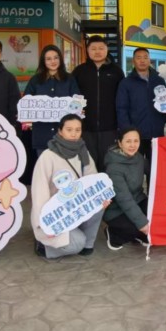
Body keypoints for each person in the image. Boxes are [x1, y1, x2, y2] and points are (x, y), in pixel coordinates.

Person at [31, 114, 108, 259]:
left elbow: (92, 181)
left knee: (99, 204)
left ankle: (88, 244)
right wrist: (44, 224)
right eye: (69, 129)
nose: (74, 134)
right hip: (57, 214)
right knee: (77, 243)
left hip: (76, 207)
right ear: (60, 131)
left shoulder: (83, 152)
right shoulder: (48, 156)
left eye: (78, 130)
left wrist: (101, 198)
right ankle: (44, 248)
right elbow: (39, 192)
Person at [71, 35, 125, 169]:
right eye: (93, 48)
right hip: (85, 127)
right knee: (87, 164)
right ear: (87, 51)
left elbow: (122, 99)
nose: (97, 51)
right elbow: (72, 97)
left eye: (101, 48)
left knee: (109, 164)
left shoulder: (117, 71)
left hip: (110, 128)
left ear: (107, 50)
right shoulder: (79, 71)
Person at [24, 44, 80, 157]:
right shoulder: (35, 80)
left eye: (56, 58)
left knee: (65, 166)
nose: (53, 61)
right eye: (48, 59)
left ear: (60, 59)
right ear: (43, 61)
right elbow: (26, 102)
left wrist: (78, 109)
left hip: (65, 134)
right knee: (44, 166)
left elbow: (77, 100)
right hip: (42, 133)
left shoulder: (69, 79)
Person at [116, 47, 166, 162]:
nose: (142, 60)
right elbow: (121, 108)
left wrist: (162, 120)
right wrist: (127, 130)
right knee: (134, 165)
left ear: (149, 60)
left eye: (145, 57)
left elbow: (164, 102)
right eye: (139, 58)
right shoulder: (126, 83)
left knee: (155, 165)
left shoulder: (159, 81)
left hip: (156, 132)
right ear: (133, 61)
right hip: (135, 134)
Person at [103, 126, 149, 250]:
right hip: (116, 209)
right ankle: (113, 234)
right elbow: (124, 199)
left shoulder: (139, 158)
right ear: (120, 143)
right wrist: (142, 224)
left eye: (136, 141)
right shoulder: (113, 168)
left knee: (156, 216)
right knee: (136, 227)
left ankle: (138, 234)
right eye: (128, 141)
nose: (132, 145)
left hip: (138, 199)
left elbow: (154, 170)